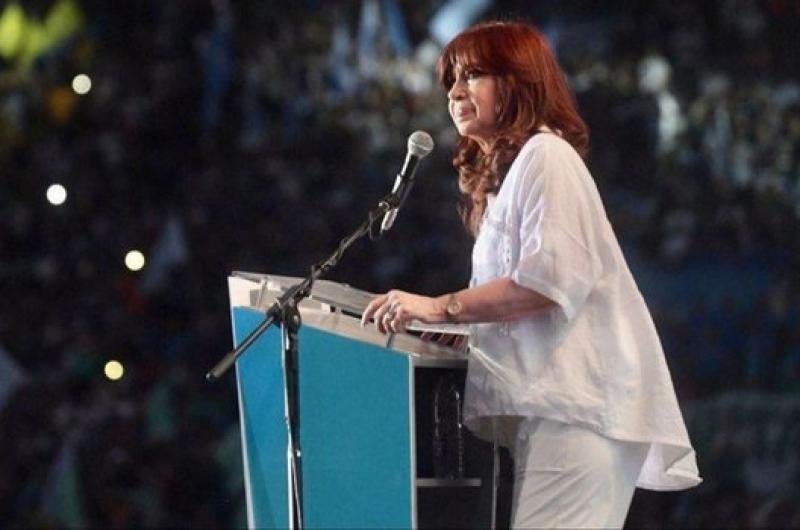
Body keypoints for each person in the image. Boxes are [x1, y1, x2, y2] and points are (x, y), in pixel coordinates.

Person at [361, 20, 701, 529]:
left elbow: (548, 282)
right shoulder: (512, 176)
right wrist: (461, 333)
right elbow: (521, 303)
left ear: (519, 81)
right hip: (558, 416)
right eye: (451, 79)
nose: (455, 91)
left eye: (473, 74)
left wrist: (439, 306)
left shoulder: (548, 156)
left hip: (578, 414)